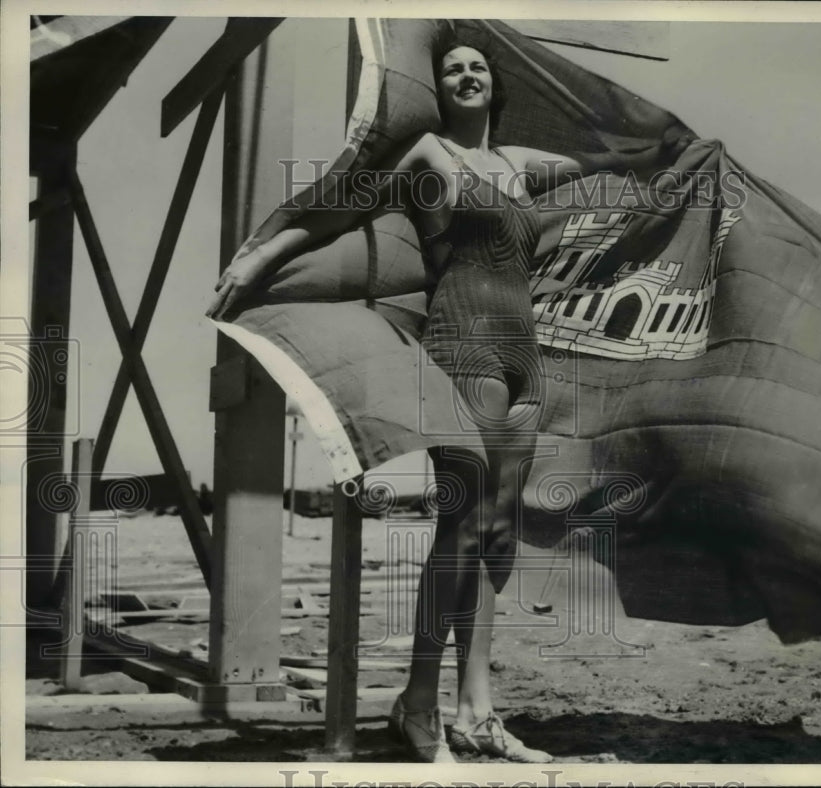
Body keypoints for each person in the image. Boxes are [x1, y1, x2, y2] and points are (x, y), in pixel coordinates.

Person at [207, 35, 668, 763]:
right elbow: (339, 209)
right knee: (460, 527)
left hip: (524, 358)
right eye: (452, 68)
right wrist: (263, 252)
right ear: (440, 87)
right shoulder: (428, 157)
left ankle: (477, 711)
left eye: (478, 67)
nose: (465, 74)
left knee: (495, 535)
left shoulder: (520, 167)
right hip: (463, 348)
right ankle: (418, 705)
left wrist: (671, 146)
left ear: (495, 85)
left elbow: (615, 162)